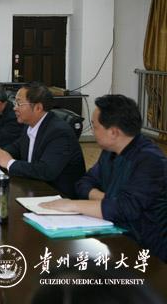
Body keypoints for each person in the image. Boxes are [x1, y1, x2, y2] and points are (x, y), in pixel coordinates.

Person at [41, 95, 167, 261]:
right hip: (113, 234)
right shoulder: (110, 151)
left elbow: (126, 209)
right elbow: (83, 183)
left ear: (114, 132)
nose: (92, 131)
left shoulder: (150, 160)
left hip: (145, 251)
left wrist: (71, 205)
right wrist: (106, 199)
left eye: (95, 126)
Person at [0, 82, 85, 198]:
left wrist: (9, 163)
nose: (14, 108)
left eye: (19, 103)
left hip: (58, 196)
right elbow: (17, 147)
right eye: (14, 103)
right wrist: (0, 154)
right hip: (34, 188)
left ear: (38, 108)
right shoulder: (30, 125)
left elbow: (46, 171)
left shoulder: (59, 132)